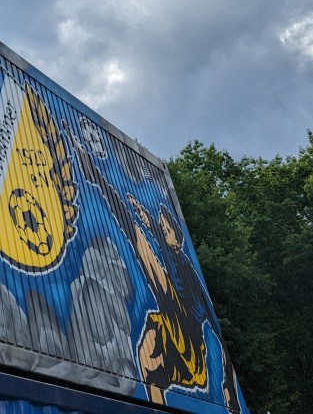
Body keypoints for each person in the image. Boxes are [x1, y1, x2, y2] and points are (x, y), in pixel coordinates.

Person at [65, 123, 240, 409]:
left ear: (176, 237)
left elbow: (215, 336)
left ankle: (97, 177)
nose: (162, 230)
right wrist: (145, 219)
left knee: (142, 248)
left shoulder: (183, 269)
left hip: (186, 334)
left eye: (166, 228)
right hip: (173, 321)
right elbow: (146, 231)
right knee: (147, 361)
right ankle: (156, 399)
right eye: (162, 227)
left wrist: (229, 389)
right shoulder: (168, 254)